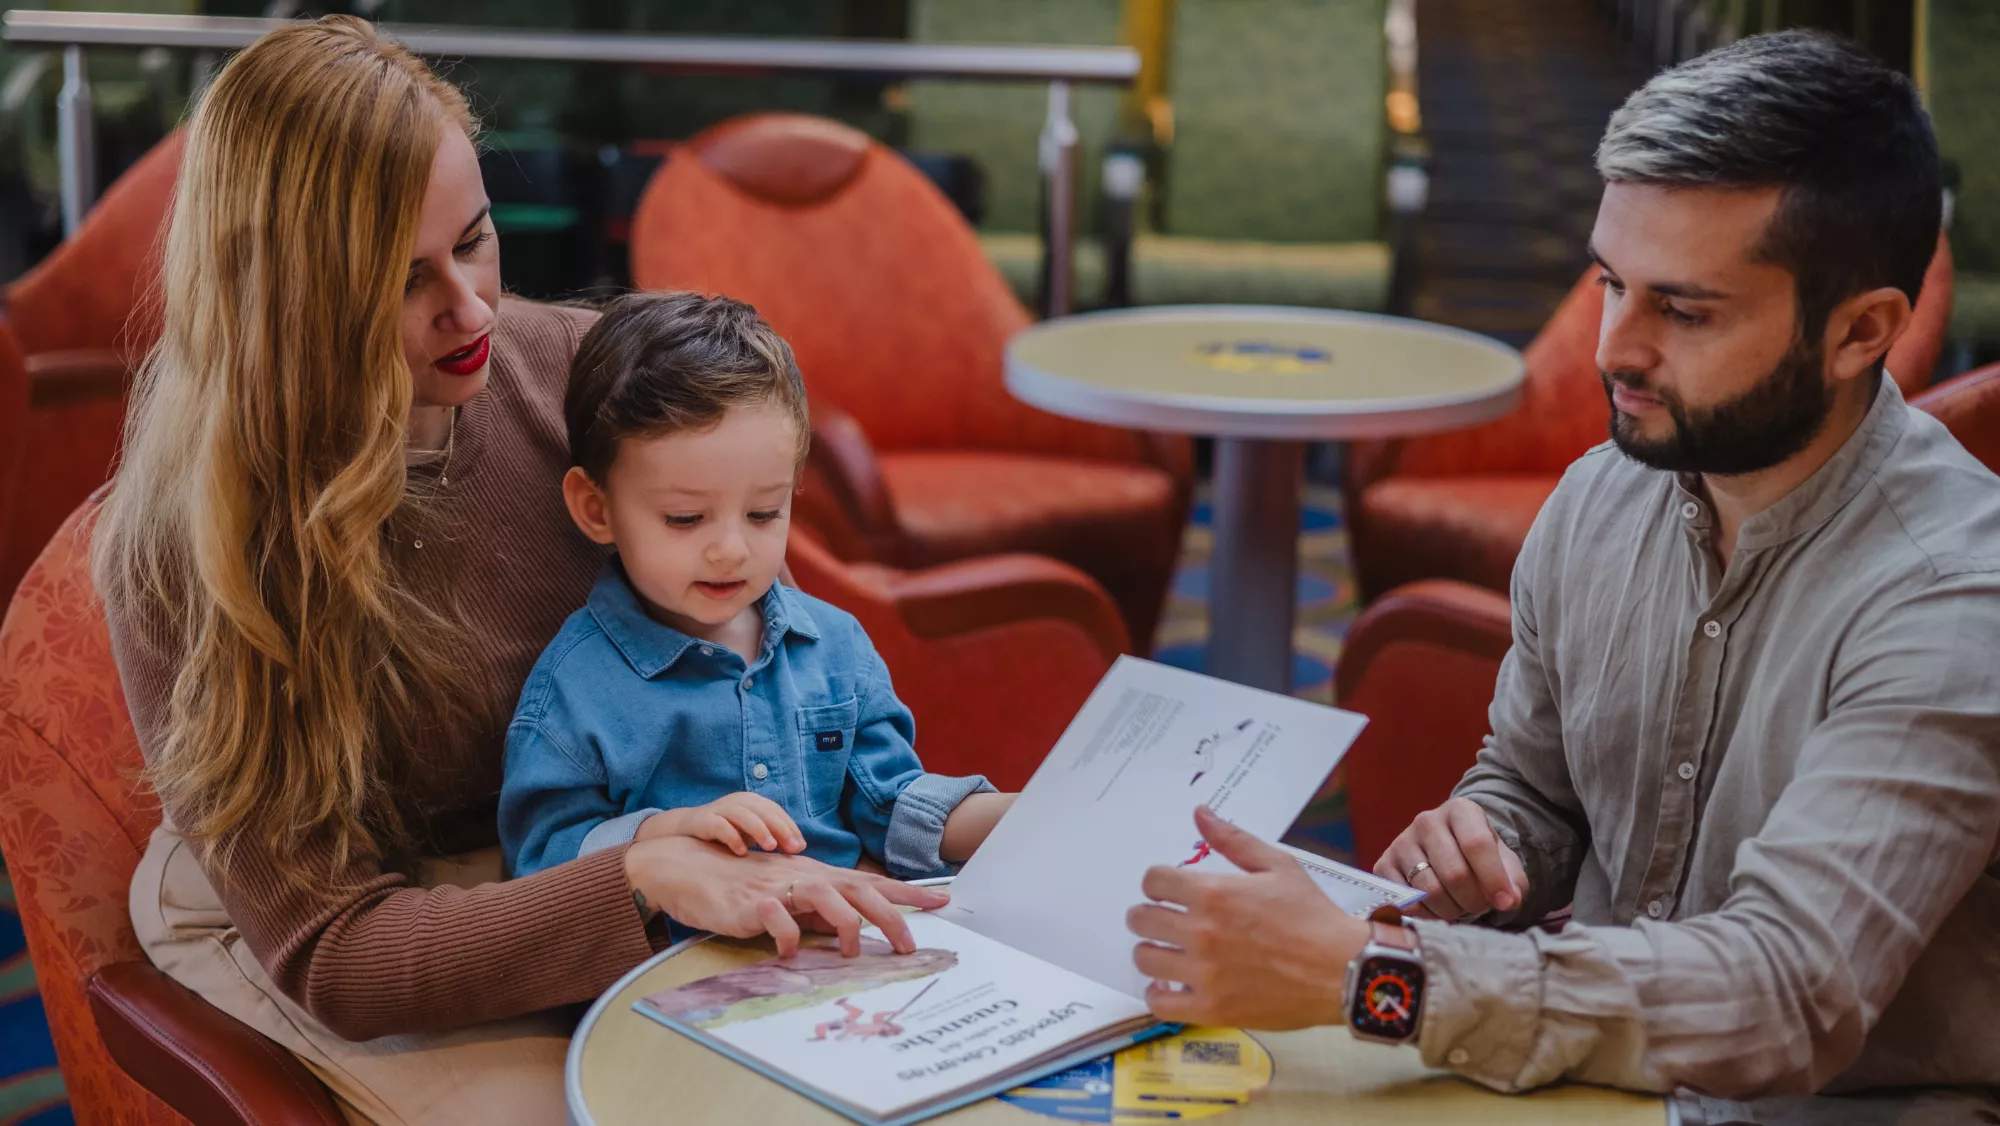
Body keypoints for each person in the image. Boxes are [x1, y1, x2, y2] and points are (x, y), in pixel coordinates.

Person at [1125, 30, 2000, 1120]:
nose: (1611, 349)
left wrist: (1371, 980)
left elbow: (1783, 993)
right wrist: (1486, 841)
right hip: (1594, 1080)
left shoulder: (1956, 597)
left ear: (1859, 331)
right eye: (1608, 284)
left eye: (1682, 311)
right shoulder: (1601, 495)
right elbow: (1532, 786)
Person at [96, 18, 944, 1125]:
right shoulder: (188, 548)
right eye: (401, 282)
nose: (472, 307)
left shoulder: (563, 374)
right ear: (288, 298)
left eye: (476, 237)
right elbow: (335, 949)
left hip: (576, 843)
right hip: (344, 911)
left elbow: (756, 616)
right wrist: (634, 877)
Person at [499, 292, 1015, 890]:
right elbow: (541, 867)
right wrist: (669, 832)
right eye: (686, 519)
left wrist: (1026, 815)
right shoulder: (576, 686)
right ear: (597, 508)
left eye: (764, 513)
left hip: (846, 944)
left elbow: (891, 803)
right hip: (685, 966)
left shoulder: (837, 645)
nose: (731, 550)